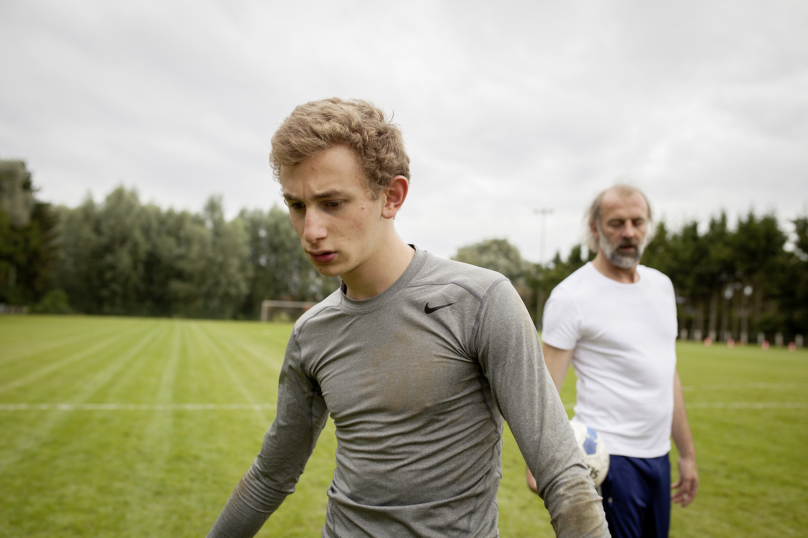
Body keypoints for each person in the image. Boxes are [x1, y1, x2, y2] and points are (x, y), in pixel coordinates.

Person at [207, 98, 609, 537]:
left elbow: (564, 477)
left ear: (392, 197)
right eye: (297, 205)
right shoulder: (311, 333)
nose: (311, 231)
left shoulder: (481, 301)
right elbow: (271, 475)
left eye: (333, 203)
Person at [526, 185, 699, 538]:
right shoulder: (571, 296)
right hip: (608, 461)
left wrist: (687, 453)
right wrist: (539, 463)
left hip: (658, 458)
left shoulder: (662, 287)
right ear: (595, 229)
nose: (629, 232)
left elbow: (669, 375)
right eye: (616, 223)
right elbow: (545, 390)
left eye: (638, 222)